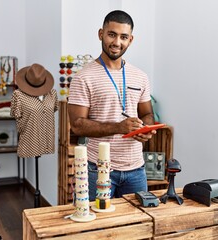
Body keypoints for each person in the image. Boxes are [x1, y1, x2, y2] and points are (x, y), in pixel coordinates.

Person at [68, 10, 156, 201]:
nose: (117, 42)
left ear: (130, 40)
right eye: (112, 34)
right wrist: (119, 128)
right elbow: (76, 125)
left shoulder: (141, 76)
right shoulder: (83, 77)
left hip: (136, 170)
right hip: (97, 169)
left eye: (123, 37)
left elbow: (147, 113)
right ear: (101, 34)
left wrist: (146, 128)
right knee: (95, 226)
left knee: (136, 226)